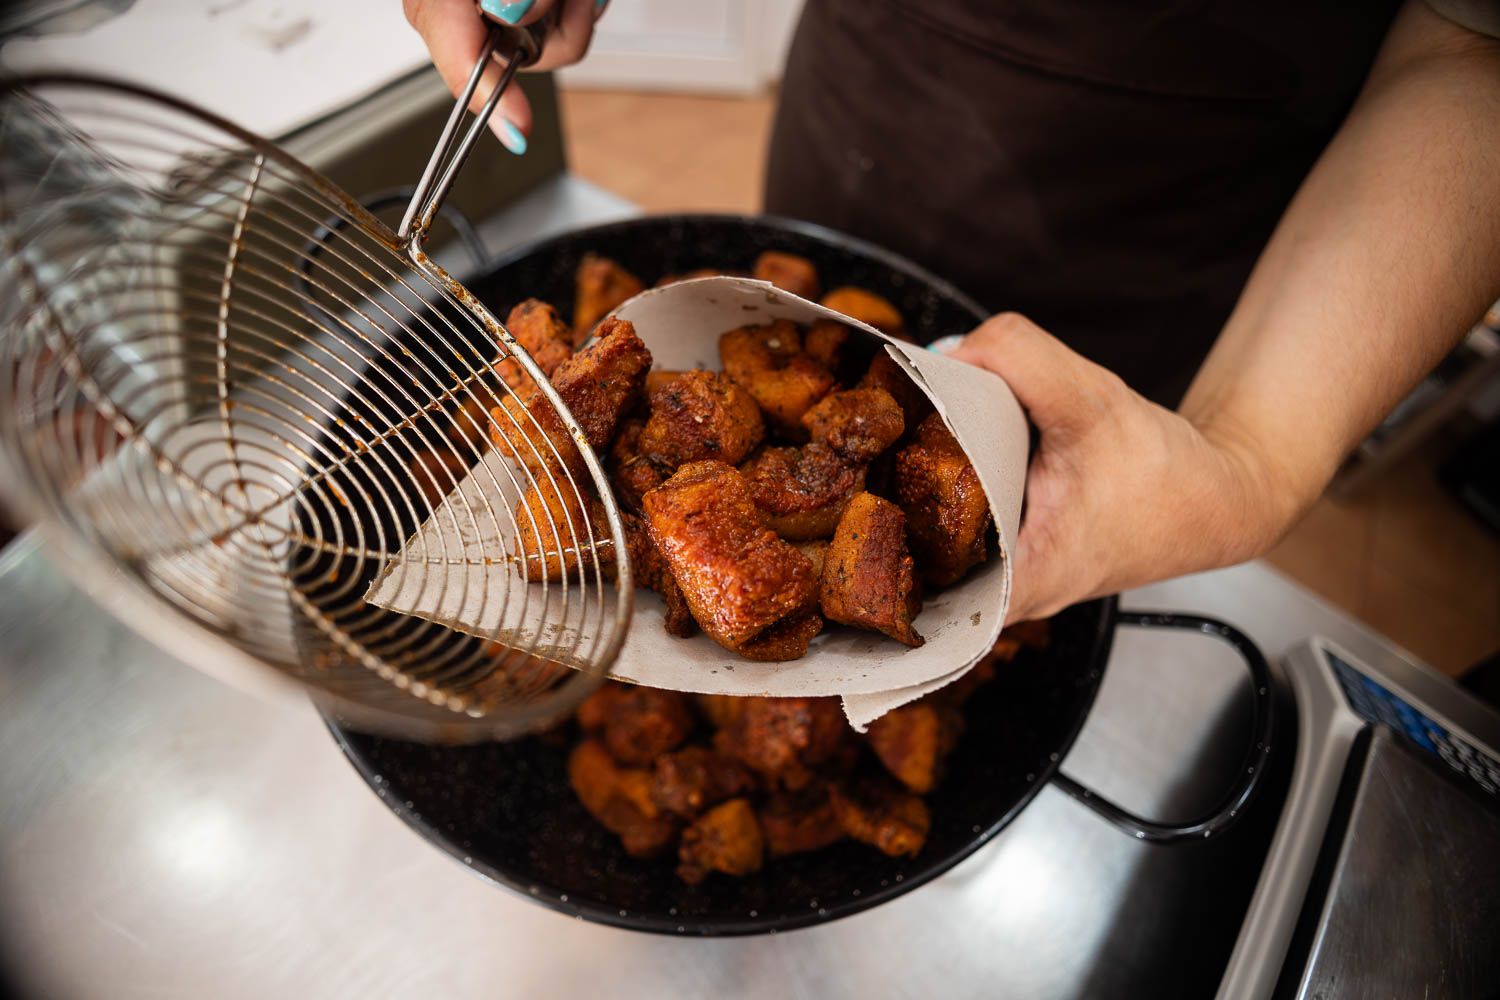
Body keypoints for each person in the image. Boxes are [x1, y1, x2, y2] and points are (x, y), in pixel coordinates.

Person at [405, 0, 1500, 623]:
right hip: (868, 94)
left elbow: (1474, 47)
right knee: (795, 324)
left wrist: (1254, 457)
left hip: (1170, 236)